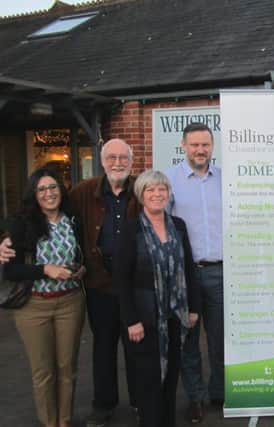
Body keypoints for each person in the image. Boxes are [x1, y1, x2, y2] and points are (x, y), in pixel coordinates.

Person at [113, 170, 200, 427]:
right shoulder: (131, 230)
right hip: (145, 319)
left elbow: (189, 269)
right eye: (150, 190)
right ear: (141, 195)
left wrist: (193, 308)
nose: (157, 194)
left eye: (161, 189)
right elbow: (122, 279)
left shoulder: (179, 226)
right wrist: (131, 320)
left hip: (174, 316)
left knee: (170, 379)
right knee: (149, 382)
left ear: (168, 193)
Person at [4, 168, 86, 427]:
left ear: (61, 190)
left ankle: (64, 421)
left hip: (70, 302)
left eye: (53, 187)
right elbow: (12, 269)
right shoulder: (21, 224)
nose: (49, 193)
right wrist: (44, 270)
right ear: (34, 194)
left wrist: (82, 267)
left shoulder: (73, 219)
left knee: (67, 368)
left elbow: (81, 253)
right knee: (43, 371)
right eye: (42, 189)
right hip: (34, 306)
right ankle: (49, 422)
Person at [70, 138, 140, 426]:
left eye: (123, 157)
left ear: (132, 161)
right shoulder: (83, 192)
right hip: (100, 285)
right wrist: (9, 236)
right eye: (111, 157)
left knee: (138, 348)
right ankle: (104, 404)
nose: (117, 163)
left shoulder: (141, 188)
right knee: (103, 348)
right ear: (102, 161)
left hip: (136, 286)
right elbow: (45, 210)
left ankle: (141, 401)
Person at [165, 122, 222, 422]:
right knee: (188, 340)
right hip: (184, 275)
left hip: (219, 272)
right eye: (194, 144)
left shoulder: (225, 179)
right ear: (183, 146)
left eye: (205, 145)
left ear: (212, 146)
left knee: (220, 338)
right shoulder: (169, 181)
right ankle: (196, 398)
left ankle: (220, 392)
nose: (200, 150)